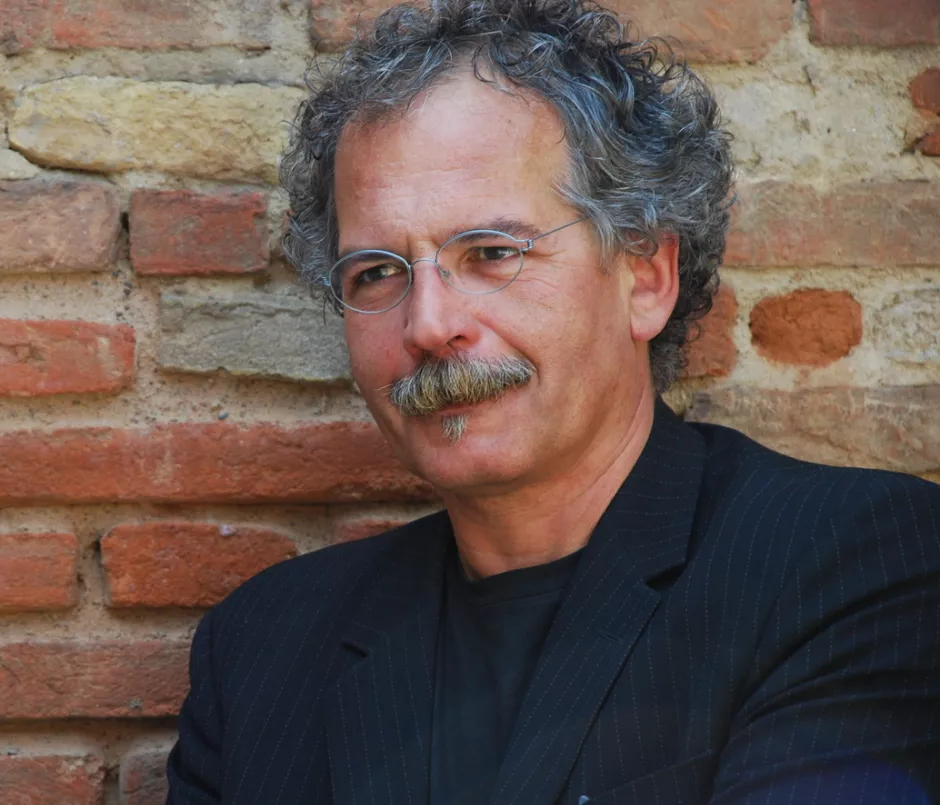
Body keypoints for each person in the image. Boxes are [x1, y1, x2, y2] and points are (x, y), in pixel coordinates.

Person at [166, 1, 940, 803]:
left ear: (646, 277)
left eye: (491, 252)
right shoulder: (262, 650)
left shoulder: (854, 562)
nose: (427, 324)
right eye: (378, 272)